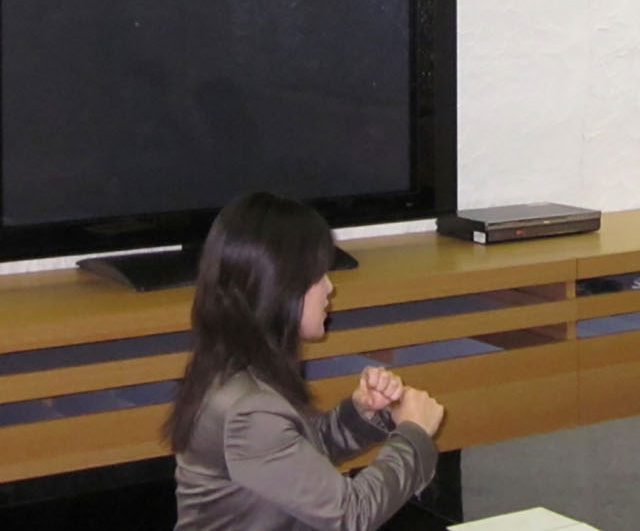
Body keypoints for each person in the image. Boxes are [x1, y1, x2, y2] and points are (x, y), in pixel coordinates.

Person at [168, 192, 446, 531]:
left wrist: (360, 415)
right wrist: (414, 435)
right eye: (317, 275)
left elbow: (295, 459)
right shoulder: (246, 409)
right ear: (279, 286)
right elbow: (351, 515)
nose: (329, 288)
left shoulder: (234, 368)